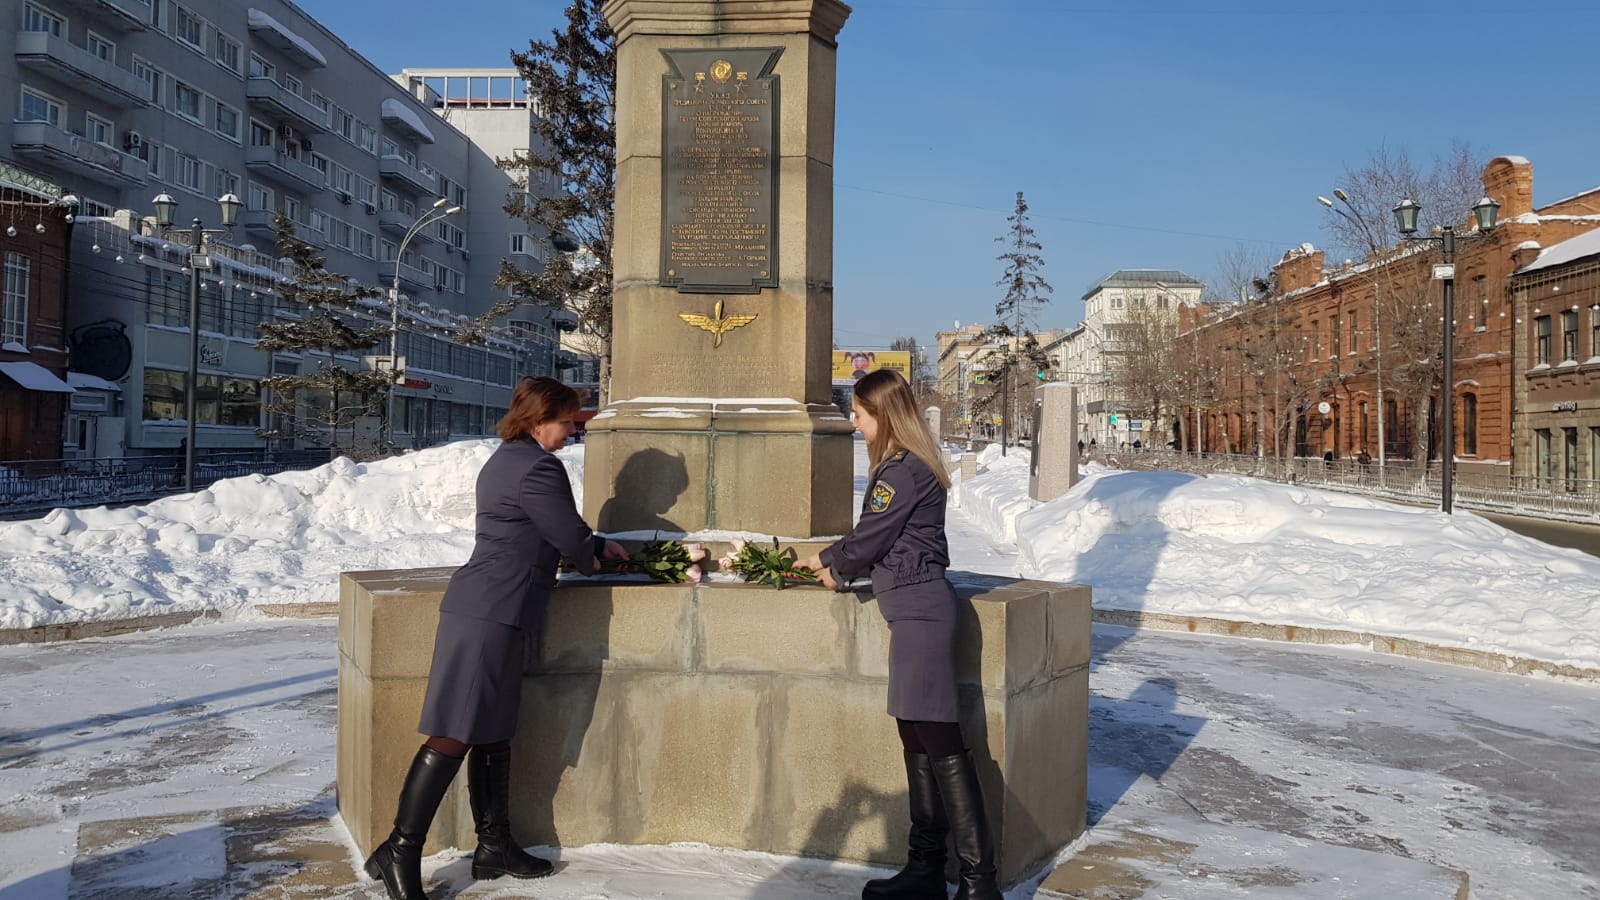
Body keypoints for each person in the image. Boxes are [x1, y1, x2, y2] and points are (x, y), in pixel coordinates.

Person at [363, 377, 628, 900]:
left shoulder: (509, 459)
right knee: (453, 733)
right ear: (538, 420)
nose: (572, 433)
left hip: (493, 610)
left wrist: (593, 545)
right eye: (568, 423)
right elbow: (568, 536)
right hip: (489, 613)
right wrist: (592, 551)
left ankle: (494, 845)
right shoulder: (538, 467)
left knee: (492, 731)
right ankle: (401, 847)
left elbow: (544, 529)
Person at [798, 369, 1001, 900]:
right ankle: (926, 869)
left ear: (881, 414)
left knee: (941, 743)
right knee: (917, 737)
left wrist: (827, 562)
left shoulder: (900, 473)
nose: (854, 423)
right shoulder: (907, 466)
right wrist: (843, 566)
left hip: (920, 615)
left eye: (859, 414)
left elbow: (872, 536)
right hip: (912, 611)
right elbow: (891, 543)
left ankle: (980, 883)